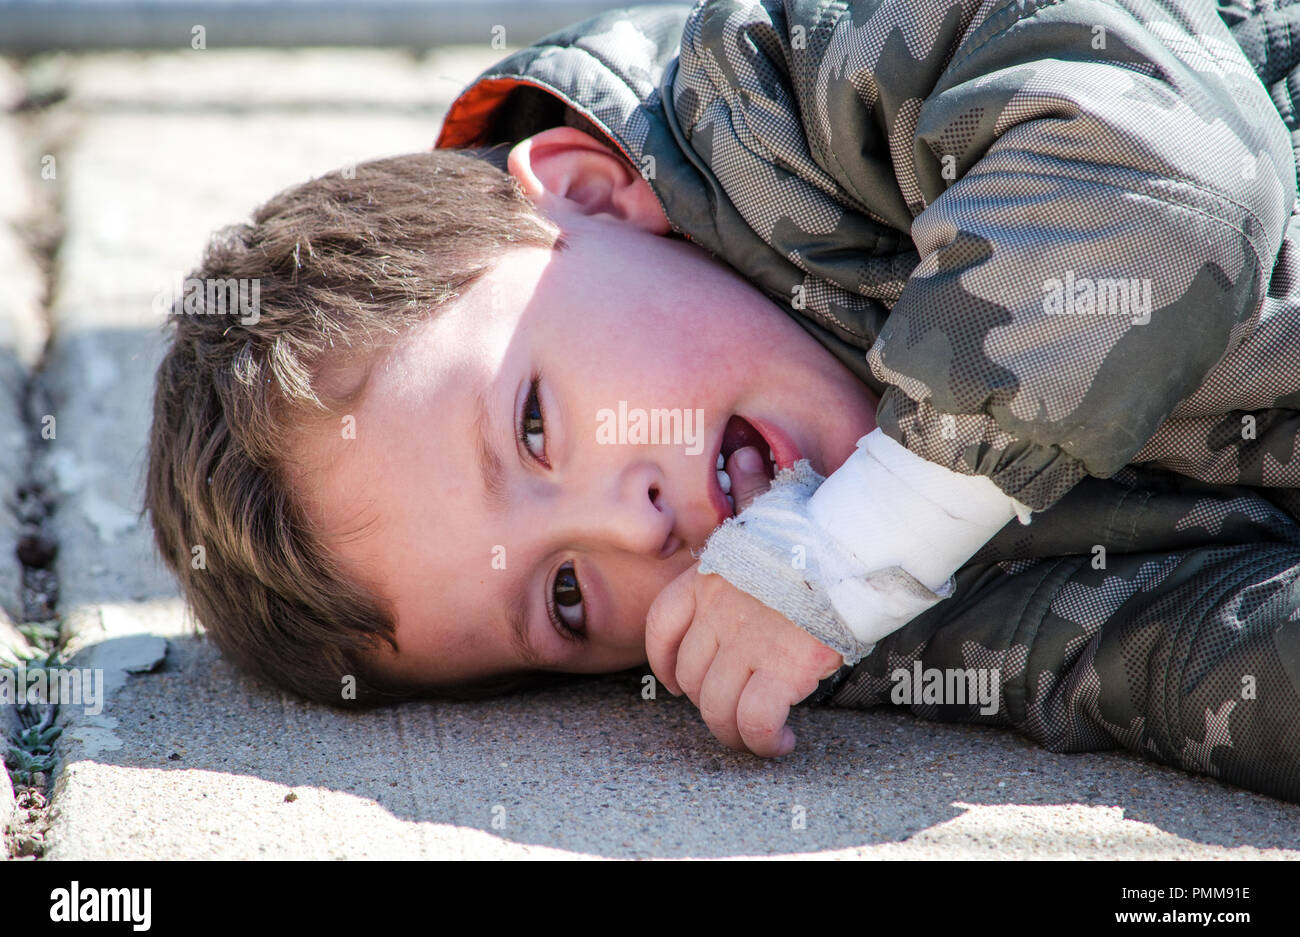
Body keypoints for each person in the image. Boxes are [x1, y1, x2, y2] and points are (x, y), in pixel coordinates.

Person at [146, 0, 1300, 801]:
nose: (633, 525)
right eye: (562, 596)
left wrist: (887, 522)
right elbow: (1184, 659)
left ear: (588, 194)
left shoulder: (793, 88)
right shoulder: (836, 617)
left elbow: (1160, 177)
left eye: (535, 427)